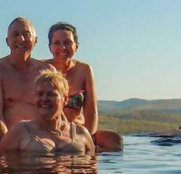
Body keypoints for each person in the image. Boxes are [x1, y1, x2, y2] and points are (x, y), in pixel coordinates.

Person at [44, 22, 123, 151]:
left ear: (76, 46)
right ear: (50, 47)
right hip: (50, 130)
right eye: (57, 43)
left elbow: (91, 110)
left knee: (114, 140)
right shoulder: (42, 69)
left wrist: (89, 136)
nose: (62, 47)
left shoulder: (84, 70)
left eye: (68, 42)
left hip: (77, 128)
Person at [0, 17, 56, 151]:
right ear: (7, 41)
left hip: (41, 138)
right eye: (15, 34)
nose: (21, 39)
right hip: (4, 136)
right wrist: (9, 142)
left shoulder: (47, 71)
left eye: (26, 34)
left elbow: (56, 112)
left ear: (35, 40)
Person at [0, 71, 95, 154]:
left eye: (51, 94)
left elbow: (92, 167)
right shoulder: (20, 131)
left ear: (65, 100)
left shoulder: (80, 132)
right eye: (40, 94)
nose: (44, 99)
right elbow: (0, 165)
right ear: (34, 98)